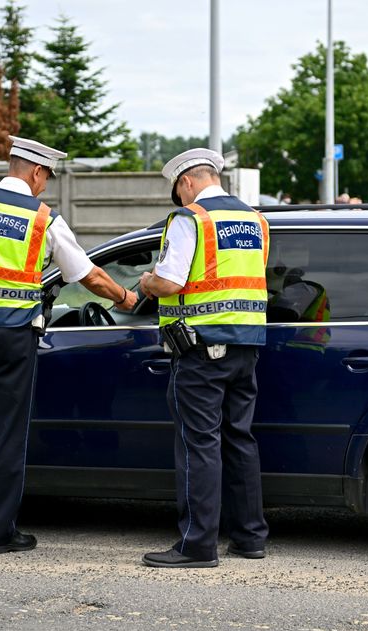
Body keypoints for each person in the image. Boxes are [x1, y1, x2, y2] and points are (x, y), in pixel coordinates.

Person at [0, 136, 138, 555]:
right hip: (14, 338)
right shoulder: (42, 220)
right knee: (5, 433)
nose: (45, 186)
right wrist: (125, 298)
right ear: (36, 172)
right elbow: (87, 275)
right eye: (47, 178)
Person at [137, 148, 270, 568]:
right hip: (246, 349)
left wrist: (146, 281)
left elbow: (171, 280)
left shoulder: (191, 219)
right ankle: (250, 537)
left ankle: (197, 545)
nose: (180, 199)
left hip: (200, 353)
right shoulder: (255, 221)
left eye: (178, 191)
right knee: (240, 441)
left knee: (199, 446)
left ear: (186, 182)